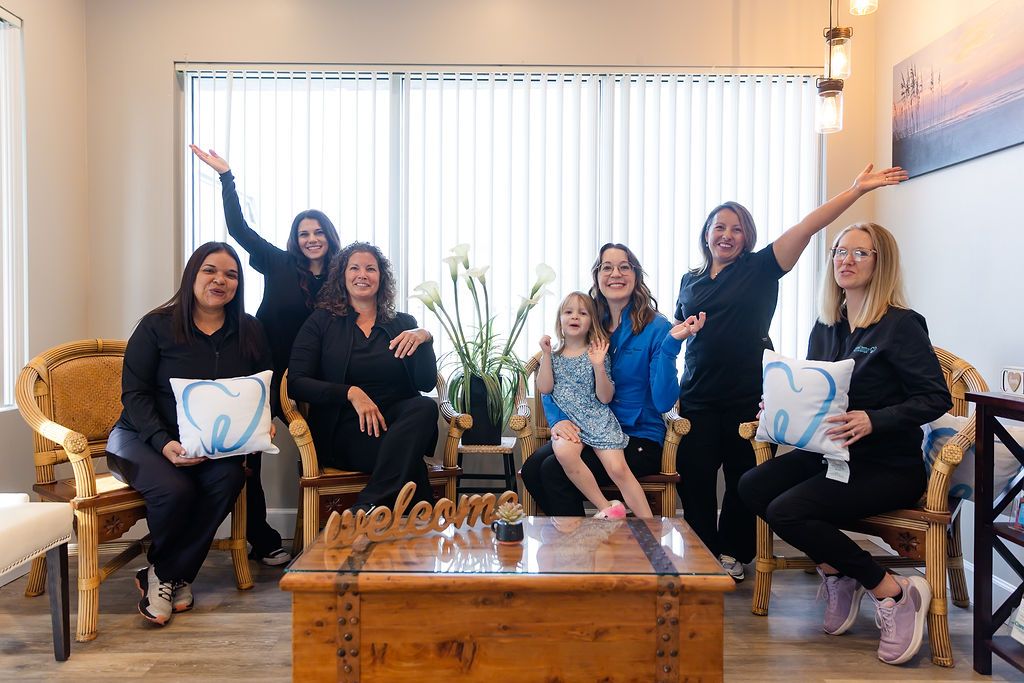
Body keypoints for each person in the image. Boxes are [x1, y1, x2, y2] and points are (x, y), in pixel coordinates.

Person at [673, 163, 908, 581]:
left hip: (747, 394)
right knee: (695, 482)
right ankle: (700, 554)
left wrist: (854, 190)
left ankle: (732, 554)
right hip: (697, 395)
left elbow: (806, 227)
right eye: (719, 226)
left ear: (748, 238)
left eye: (737, 229)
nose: (727, 235)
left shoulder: (761, 269)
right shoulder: (689, 281)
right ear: (706, 233)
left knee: (744, 479)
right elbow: (679, 334)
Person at [738, 222, 951, 666]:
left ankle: (891, 592)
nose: (845, 261)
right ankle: (839, 571)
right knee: (753, 486)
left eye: (859, 253)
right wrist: (780, 404)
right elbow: (817, 390)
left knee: (787, 510)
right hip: (830, 455)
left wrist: (876, 419)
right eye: (839, 252)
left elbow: (935, 397)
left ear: (881, 263)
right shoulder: (826, 326)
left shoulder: (901, 326)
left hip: (886, 465)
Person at [106, 242, 274, 626]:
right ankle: (173, 576)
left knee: (230, 477)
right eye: (210, 271)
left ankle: (164, 573)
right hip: (139, 435)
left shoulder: (249, 330)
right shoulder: (156, 326)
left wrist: (263, 423)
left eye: (231, 274)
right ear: (192, 276)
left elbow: (260, 387)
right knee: (175, 489)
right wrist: (164, 444)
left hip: (207, 440)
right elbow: (134, 394)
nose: (221, 280)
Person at [190, 145, 342, 566]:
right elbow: (238, 229)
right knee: (249, 454)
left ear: (330, 237)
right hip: (262, 368)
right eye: (303, 233)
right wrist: (226, 176)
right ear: (295, 239)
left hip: (313, 378)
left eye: (318, 232)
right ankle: (261, 537)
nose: (311, 239)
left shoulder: (341, 277)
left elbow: (370, 307)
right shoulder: (277, 262)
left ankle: (321, 535)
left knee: (321, 453)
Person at [520, 243, 703, 516]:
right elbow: (558, 370)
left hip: (638, 436)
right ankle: (582, 546)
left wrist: (669, 347)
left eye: (624, 267)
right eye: (607, 267)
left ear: (636, 275)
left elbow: (664, 401)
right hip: (586, 427)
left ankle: (593, 545)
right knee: (533, 470)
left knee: (553, 472)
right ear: (597, 277)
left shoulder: (658, 328)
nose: (615, 273)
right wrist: (558, 419)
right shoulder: (588, 318)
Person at [287, 242, 438, 511]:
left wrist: (425, 337)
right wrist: (350, 393)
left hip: (398, 425)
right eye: (354, 268)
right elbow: (296, 382)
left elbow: (425, 384)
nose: (362, 275)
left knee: (425, 406)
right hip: (344, 429)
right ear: (342, 276)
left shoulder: (403, 323)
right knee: (409, 461)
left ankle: (366, 508)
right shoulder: (320, 322)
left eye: (371, 269)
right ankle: (413, 534)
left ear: (381, 277)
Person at [537, 291, 654, 519]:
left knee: (619, 469)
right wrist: (546, 355)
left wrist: (599, 366)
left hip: (598, 420)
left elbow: (606, 397)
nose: (575, 317)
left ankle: (650, 526)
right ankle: (607, 508)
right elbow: (545, 388)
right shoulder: (554, 355)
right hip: (572, 425)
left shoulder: (596, 353)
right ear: (559, 320)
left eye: (582, 313)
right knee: (563, 453)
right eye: (568, 312)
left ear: (591, 321)